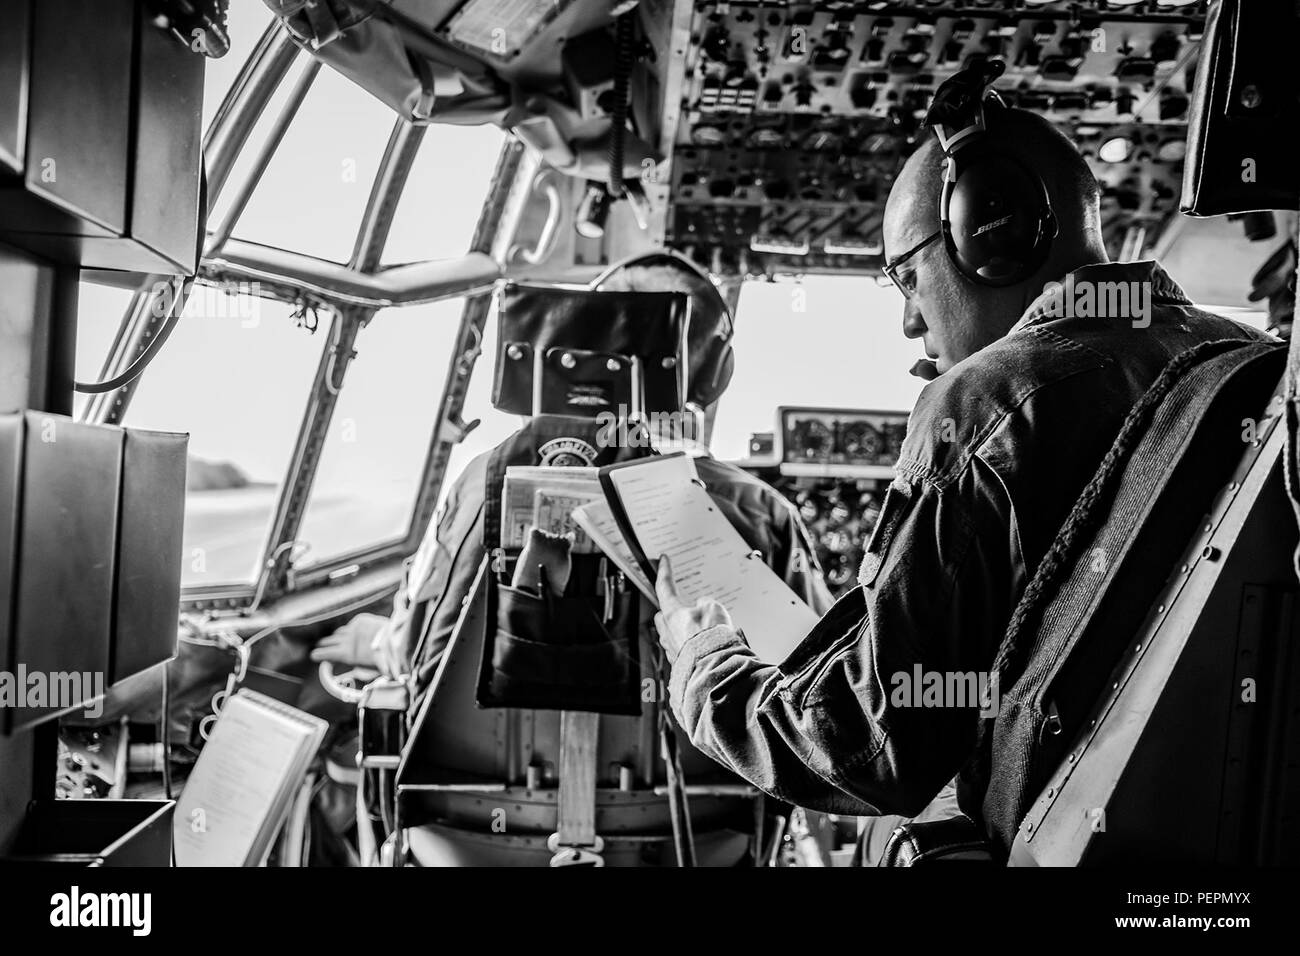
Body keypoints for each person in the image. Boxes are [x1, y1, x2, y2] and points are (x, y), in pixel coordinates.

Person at [652, 66, 1276, 860]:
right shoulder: (1250, 361)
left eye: (907, 278)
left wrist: (706, 666)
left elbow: (867, 749)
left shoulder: (986, 402)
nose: (912, 321)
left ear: (989, 233)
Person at [312, 250, 833, 717]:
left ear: (576, 332)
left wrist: (378, 643)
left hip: (462, 811)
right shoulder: (757, 510)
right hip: (707, 819)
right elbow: (818, 685)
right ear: (711, 372)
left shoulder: (482, 481)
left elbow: (420, 650)